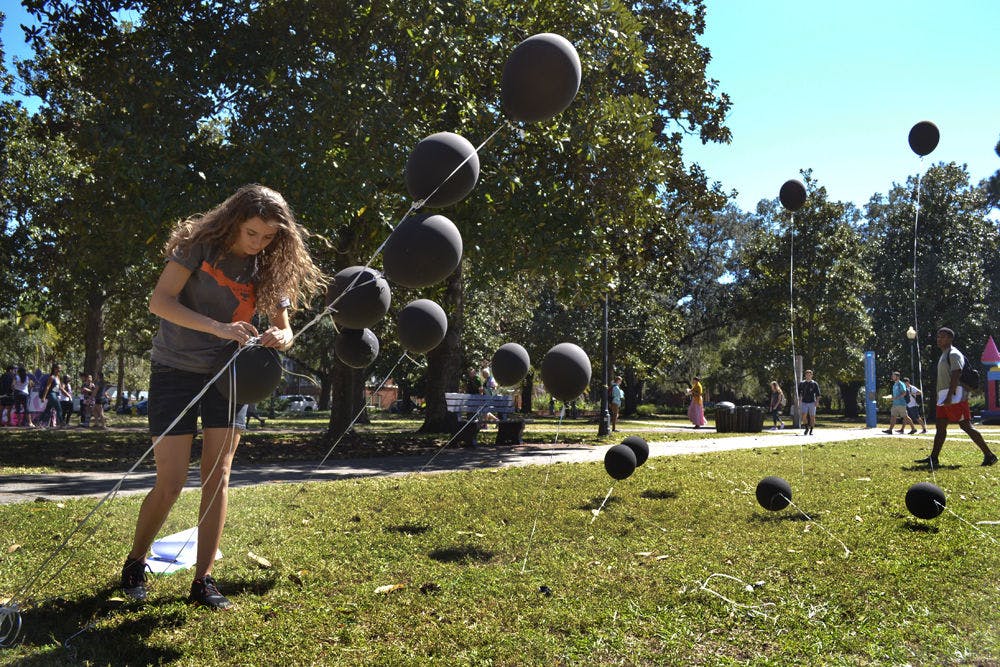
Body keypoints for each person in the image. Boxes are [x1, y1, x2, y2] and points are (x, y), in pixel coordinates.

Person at [120, 184, 325, 610]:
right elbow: (160, 301)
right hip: (177, 368)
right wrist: (218, 328)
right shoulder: (198, 245)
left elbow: (284, 328)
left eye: (269, 237)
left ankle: (204, 580)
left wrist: (280, 336)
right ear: (234, 221)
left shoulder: (270, 265)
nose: (259, 244)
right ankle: (136, 562)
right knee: (172, 481)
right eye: (253, 233)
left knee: (218, 477)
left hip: (232, 377)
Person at [915, 327, 997, 468]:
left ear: (950, 339)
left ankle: (989, 455)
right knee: (940, 427)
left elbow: (956, 374)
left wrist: (949, 396)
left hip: (954, 396)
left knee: (966, 426)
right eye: (938, 336)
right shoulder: (944, 354)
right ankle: (933, 458)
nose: (939, 339)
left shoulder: (953, 354)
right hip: (944, 397)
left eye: (943, 337)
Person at [882, 370, 915, 435]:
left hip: (901, 404)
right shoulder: (894, 384)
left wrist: (896, 398)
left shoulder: (901, 384)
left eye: (893, 376)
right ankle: (890, 430)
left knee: (905, 417)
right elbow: (895, 394)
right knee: (893, 416)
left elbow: (904, 393)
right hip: (895, 404)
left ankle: (913, 429)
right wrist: (890, 397)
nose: (892, 377)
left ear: (897, 377)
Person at [37, 363, 64, 428]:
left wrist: (67, 394)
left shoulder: (58, 377)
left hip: (56, 394)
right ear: (54, 369)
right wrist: (43, 397)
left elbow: (60, 388)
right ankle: (62, 423)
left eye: (60, 368)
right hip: (52, 395)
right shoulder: (52, 377)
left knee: (47, 410)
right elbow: (47, 387)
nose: (60, 370)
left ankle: (39, 422)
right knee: (59, 408)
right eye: (58, 368)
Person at [798, 369, 820, 435]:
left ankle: (811, 430)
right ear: (805, 375)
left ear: (812, 375)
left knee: (812, 417)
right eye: (807, 375)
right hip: (804, 402)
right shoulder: (802, 383)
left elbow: (818, 394)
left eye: (810, 375)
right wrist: (799, 399)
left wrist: (817, 401)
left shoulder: (814, 383)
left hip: (812, 402)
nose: (808, 376)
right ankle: (806, 428)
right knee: (803, 416)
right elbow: (799, 393)